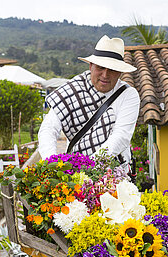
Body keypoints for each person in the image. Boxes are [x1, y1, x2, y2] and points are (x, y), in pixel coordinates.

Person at [38, 35, 140, 170]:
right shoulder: (72, 89)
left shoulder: (128, 95)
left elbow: (121, 136)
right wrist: (51, 163)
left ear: (120, 72)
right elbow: (48, 129)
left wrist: (90, 167)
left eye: (112, 70)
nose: (105, 75)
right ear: (91, 66)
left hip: (114, 173)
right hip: (74, 173)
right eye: (100, 68)